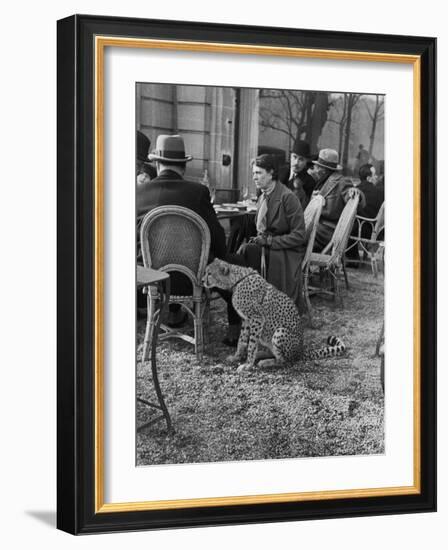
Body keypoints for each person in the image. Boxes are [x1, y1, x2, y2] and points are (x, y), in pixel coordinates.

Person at [137, 134, 227, 326]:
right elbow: (219, 239)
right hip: (192, 278)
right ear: (184, 167)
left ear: (158, 165)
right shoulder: (198, 192)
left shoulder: (138, 193)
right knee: (235, 261)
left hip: (152, 279)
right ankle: (234, 329)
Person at [239, 154, 306, 307]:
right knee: (241, 241)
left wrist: (269, 241)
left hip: (285, 252)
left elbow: (300, 235)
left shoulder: (288, 197)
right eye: (253, 173)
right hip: (269, 247)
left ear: (271, 173)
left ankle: (250, 304)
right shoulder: (263, 195)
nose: (254, 177)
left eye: (258, 173)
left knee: (246, 252)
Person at [309, 148, 363, 252]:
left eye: (318, 167)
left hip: (327, 232)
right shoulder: (321, 180)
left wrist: (355, 192)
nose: (315, 169)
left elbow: (356, 199)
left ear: (323, 169)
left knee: (294, 233)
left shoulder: (341, 182)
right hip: (318, 227)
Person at [279, 140, 316, 209]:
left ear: (306, 162)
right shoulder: (279, 172)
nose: (296, 162)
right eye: (294, 157)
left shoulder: (310, 182)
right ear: (290, 157)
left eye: (301, 159)